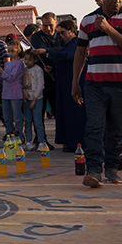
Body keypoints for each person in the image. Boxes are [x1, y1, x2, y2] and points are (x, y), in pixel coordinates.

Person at [72, 0, 122, 187]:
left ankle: (111, 169)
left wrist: (108, 29)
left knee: (115, 129)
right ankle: (94, 170)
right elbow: (79, 53)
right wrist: (75, 82)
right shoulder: (87, 21)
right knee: (94, 126)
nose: (117, 0)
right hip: (94, 83)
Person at [46, 19, 86, 152]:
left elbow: (67, 55)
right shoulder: (68, 43)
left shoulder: (76, 43)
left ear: (72, 31)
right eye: (59, 34)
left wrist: (46, 52)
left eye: (63, 33)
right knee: (66, 113)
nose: (61, 36)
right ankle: (69, 141)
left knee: (75, 114)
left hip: (73, 83)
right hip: (64, 84)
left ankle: (77, 142)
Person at [0, 40, 26, 138]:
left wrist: (0, 71)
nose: (10, 53)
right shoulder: (7, 64)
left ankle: (20, 136)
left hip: (15, 93)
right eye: (9, 51)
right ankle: (9, 134)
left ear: (19, 50)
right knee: (7, 117)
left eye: (13, 51)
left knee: (17, 117)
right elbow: (3, 78)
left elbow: (11, 77)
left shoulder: (19, 63)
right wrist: (1, 74)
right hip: (5, 93)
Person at [21, 50, 46, 148]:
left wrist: (35, 98)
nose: (27, 62)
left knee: (37, 120)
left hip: (37, 98)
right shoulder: (24, 69)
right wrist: (23, 91)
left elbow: (41, 85)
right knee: (27, 120)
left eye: (29, 60)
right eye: (25, 59)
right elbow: (20, 82)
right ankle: (28, 141)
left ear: (35, 60)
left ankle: (41, 141)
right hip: (27, 98)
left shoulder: (38, 70)